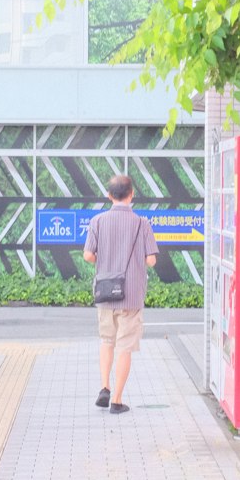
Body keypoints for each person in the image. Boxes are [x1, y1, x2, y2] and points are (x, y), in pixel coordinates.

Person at [83, 175, 158, 415]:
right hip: (132, 295)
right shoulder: (142, 223)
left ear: (108, 195)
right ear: (132, 194)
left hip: (106, 292)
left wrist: (103, 260)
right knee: (125, 346)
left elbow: (88, 255)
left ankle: (104, 386)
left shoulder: (97, 221)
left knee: (107, 341)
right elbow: (151, 260)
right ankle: (117, 399)